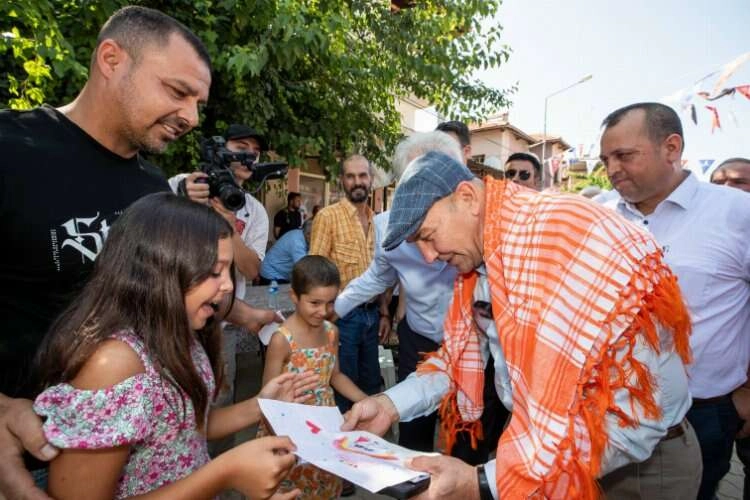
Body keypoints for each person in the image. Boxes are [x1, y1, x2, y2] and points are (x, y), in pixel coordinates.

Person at [343, 150, 700, 499]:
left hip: (635, 469)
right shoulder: (485, 258)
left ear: (467, 197)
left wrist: (485, 483)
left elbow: (633, 420)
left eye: (427, 235)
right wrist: (390, 404)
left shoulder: (567, 239)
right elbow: (455, 360)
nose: (429, 256)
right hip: (546, 454)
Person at [0, 6, 213, 499]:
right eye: (178, 92)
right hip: (23, 460)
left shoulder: (152, 187)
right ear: (112, 59)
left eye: (198, 102)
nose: (191, 117)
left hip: (130, 459)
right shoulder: (12, 151)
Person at [32, 193, 317, 499]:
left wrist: (261, 404)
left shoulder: (180, 335)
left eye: (228, 270)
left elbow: (186, 431)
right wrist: (225, 473)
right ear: (160, 269)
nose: (229, 286)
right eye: (213, 272)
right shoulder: (113, 364)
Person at [599, 103, 750, 500]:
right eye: (605, 159)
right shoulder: (599, 218)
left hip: (704, 414)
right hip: (611, 407)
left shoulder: (736, 212)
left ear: (671, 147)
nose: (612, 169)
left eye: (624, 156)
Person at [334, 131, 464, 453]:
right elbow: (378, 276)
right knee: (413, 430)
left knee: (467, 431)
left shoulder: (484, 234)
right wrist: (331, 310)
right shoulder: (387, 226)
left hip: (468, 340)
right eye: (413, 182)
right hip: (418, 338)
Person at [170, 124, 271, 434]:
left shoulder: (253, 211)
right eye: (240, 148)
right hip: (169, 319)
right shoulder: (183, 185)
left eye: (254, 152)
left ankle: (214, 473)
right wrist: (183, 199)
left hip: (221, 326)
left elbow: (253, 270)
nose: (249, 156)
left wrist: (229, 224)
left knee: (219, 402)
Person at [260, 255, 368, 499]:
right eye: (315, 303)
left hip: (324, 428)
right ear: (295, 297)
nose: (324, 311)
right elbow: (267, 397)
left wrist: (365, 399)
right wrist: (276, 439)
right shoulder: (282, 340)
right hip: (288, 430)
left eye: (330, 303)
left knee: (325, 487)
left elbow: (335, 375)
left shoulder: (332, 332)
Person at [309, 154, 385, 411]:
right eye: (350, 176)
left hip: (372, 317)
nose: (357, 181)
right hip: (343, 318)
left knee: (372, 386)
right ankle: (343, 448)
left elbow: (384, 271)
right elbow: (314, 272)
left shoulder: (378, 222)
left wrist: (384, 313)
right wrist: (325, 318)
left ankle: (370, 445)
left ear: (371, 179)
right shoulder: (328, 217)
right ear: (342, 180)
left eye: (362, 175)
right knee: (345, 391)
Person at [259, 220, 313, 285]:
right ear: (308, 234)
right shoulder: (297, 242)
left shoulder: (301, 234)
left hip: (280, 273)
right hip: (272, 274)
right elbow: (304, 268)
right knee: (278, 295)